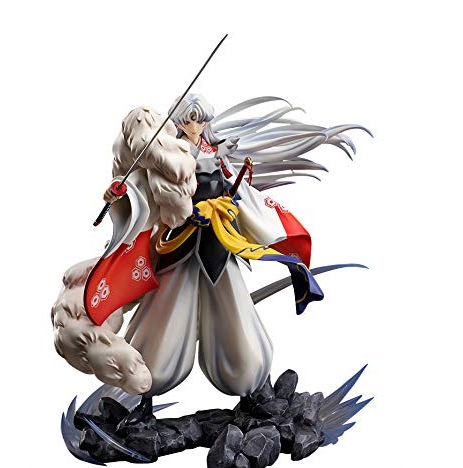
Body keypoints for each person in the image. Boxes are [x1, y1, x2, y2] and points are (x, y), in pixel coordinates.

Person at [54, 94, 369, 400]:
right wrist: (119, 193)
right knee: (165, 316)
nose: (194, 127)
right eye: (187, 121)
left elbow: (238, 193)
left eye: (199, 121)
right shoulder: (167, 155)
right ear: (177, 123)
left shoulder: (218, 153)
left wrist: (227, 206)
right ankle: (148, 389)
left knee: (233, 311)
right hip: (178, 246)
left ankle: (251, 385)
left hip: (218, 244)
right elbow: (139, 193)